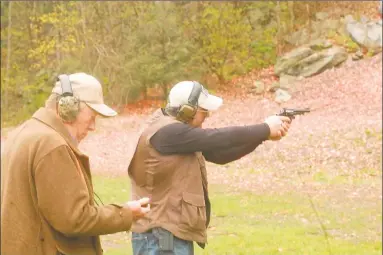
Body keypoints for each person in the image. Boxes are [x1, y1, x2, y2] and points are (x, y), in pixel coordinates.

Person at [127, 81, 291, 255]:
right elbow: (217, 138)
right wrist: (265, 128)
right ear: (187, 110)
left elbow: (221, 155)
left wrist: (263, 136)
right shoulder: (167, 133)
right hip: (161, 237)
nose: (208, 115)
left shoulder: (180, 135)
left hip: (167, 234)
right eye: (204, 110)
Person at [1, 73, 150, 255]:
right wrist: (126, 213)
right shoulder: (51, 145)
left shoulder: (23, 134)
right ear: (68, 108)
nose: (93, 126)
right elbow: (74, 219)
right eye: (92, 116)